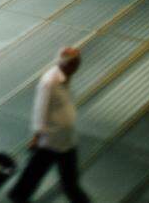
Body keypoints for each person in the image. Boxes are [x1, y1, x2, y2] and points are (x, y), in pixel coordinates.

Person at [8, 48, 90, 203]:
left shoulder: (65, 77)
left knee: (37, 176)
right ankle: (18, 196)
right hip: (51, 140)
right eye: (76, 63)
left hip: (66, 139)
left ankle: (17, 196)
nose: (78, 66)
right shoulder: (49, 82)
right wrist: (37, 137)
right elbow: (41, 110)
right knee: (65, 181)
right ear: (67, 64)